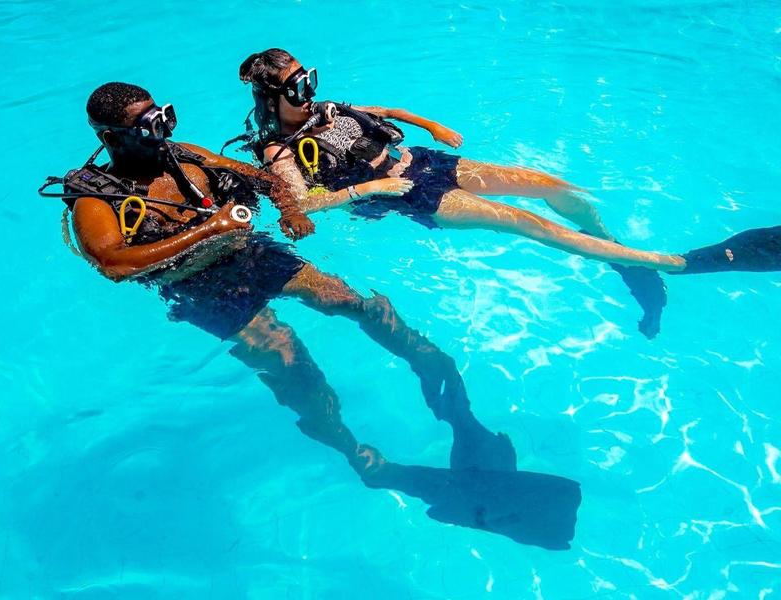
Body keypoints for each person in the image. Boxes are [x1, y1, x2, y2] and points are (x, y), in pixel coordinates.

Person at [41, 82, 581, 549]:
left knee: (356, 303)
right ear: (111, 137)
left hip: (249, 253)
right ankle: (361, 458)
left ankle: (438, 380)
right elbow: (112, 262)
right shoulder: (94, 202)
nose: (163, 128)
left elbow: (261, 175)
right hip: (200, 288)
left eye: (165, 115)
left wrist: (292, 207)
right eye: (148, 124)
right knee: (290, 361)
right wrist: (208, 229)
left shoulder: (186, 155)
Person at [234, 49, 781, 335]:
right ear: (272, 96)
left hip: (424, 161)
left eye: (311, 78)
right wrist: (374, 187)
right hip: (405, 193)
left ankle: (615, 251)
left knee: (550, 186)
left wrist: (431, 127)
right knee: (526, 222)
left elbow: (385, 112)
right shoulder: (276, 153)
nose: (312, 90)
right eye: (299, 86)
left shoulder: (329, 109)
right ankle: (666, 263)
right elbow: (303, 203)